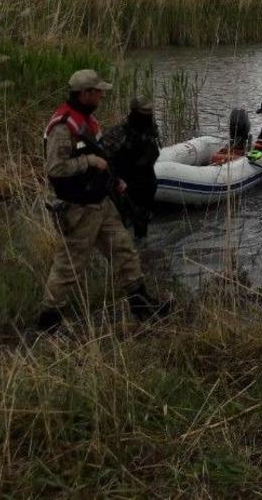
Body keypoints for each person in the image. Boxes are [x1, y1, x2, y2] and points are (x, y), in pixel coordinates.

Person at [37, 70, 170, 333]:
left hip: (101, 201)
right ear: (84, 93)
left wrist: (113, 180)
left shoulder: (88, 120)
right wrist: (89, 162)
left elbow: (103, 157)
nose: (102, 95)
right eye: (98, 91)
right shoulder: (63, 125)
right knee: (69, 266)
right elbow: (55, 168)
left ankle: (142, 307)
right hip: (78, 207)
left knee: (124, 251)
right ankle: (48, 321)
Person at [101, 95, 160, 240]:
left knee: (142, 226)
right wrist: (116, 182)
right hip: (123, 188)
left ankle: (143, 255)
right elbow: (103, 160)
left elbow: (153, 153)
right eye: (144, 113)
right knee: (119, 230)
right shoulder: (118, 133)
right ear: (134, 113)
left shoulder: (150, 130)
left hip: (145, 185)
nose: (148, 117)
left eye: (149, 113)